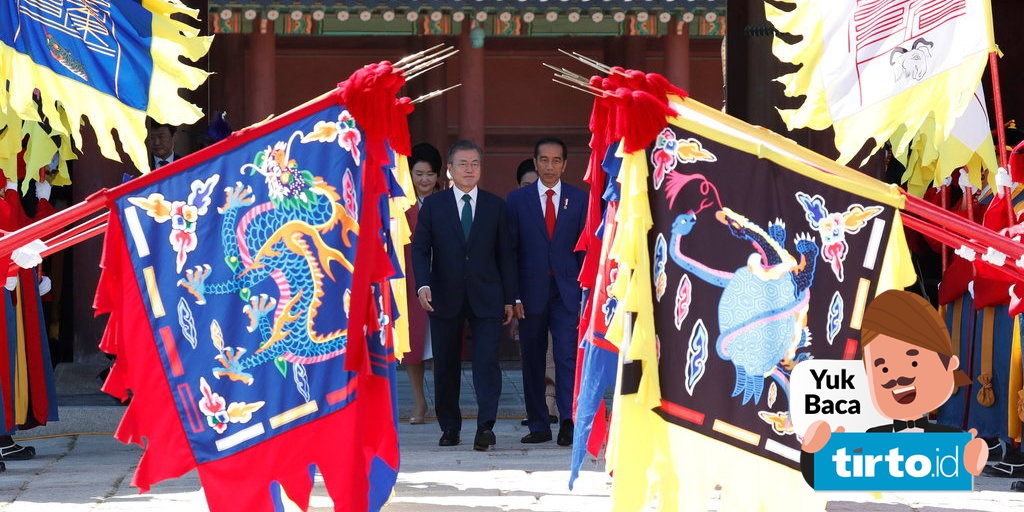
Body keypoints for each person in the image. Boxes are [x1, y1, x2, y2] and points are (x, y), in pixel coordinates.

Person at [800, 290, 988, 487]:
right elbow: (833, 473)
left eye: (913, 363)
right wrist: (816, 455)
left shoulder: (952, 441)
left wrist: (969, 458)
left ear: (949, 364)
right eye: (883, 368)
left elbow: (962, 463)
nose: (898, 378)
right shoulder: (873, 437)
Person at [411, 140, 516, 451]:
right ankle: (450, 426)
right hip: (444, 294)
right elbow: (420, 249)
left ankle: (486, 426)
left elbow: (506, 256)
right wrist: (423, 284)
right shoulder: (434, 205)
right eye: (463, 164)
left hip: (487, 297)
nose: (469, 170)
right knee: (446, 365)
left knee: (486, 363)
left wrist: (510, 298)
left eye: (475, 164)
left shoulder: (496, 206)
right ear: (450, 170)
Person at [506, 137, 587, 446]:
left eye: (556, 161)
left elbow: (584, 252)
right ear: (535, 162)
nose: (550, 166)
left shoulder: (580, 200)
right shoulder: (518, 200)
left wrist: (586, 295)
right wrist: (513, 297)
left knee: (567, 357)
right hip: (530, 294)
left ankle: (568, 419)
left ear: (565, 165)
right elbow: (511, 252)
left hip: (568, 293)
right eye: (544, 160)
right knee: (533, 359)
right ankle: (539, 423)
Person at [404, 142, 444, 425]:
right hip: (410, 282)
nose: (425, 180)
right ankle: (420, 403)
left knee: (442, 345)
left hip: (443, 280)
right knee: (414, 346)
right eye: (419, 174)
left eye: (430, 174)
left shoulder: (448, 201)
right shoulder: (400, 206)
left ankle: (443, 401)